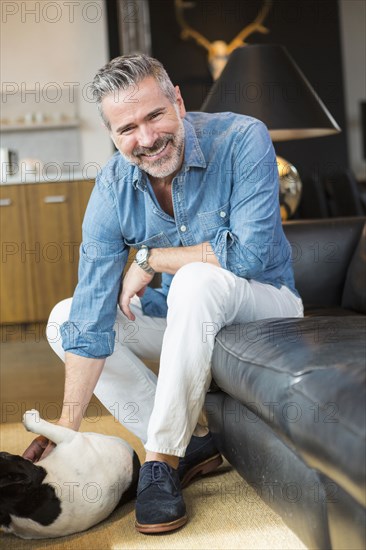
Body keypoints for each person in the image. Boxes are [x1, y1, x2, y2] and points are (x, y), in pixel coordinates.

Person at [23, 54, 304, 534]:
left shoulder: (241, 138)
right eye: (127, 128)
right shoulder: (112, 186)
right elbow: (90, 315)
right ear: (111, 135)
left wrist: (151, 259)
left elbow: (252, 256)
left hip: (264, 306)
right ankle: (194, 444)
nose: (147, 139)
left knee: (193, 281)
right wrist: (65, 429)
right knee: (64, 317)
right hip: (185, 322)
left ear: (177, 100)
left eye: (154, 115)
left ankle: (161, 462)